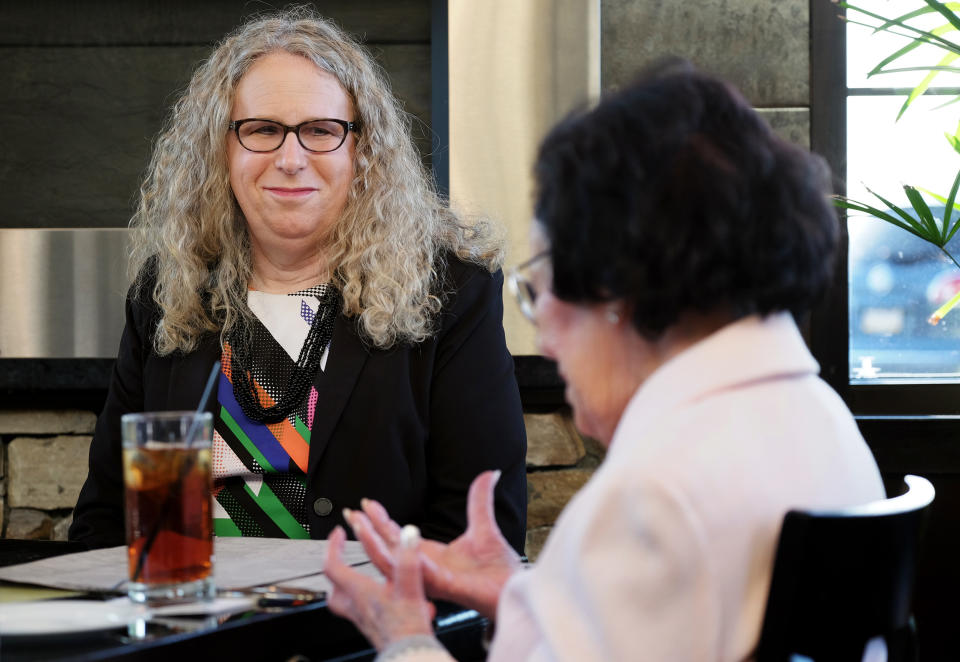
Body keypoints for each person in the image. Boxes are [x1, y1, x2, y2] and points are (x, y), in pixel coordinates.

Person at [322, 60, 886, 661]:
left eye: (543, 287)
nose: (546, 340)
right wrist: (522, 593)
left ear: (624, 287)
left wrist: (404, 635)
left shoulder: (657, 494)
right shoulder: (817, 417)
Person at [69, 8, 527, 552]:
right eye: (262, 130)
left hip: (366, 632)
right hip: (190, 628)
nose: (291, 159)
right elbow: (104, 525)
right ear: (222, 151)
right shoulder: (168, 292)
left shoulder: (450, 295)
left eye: (320, 131)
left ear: (363, 151)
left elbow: (480, 544)